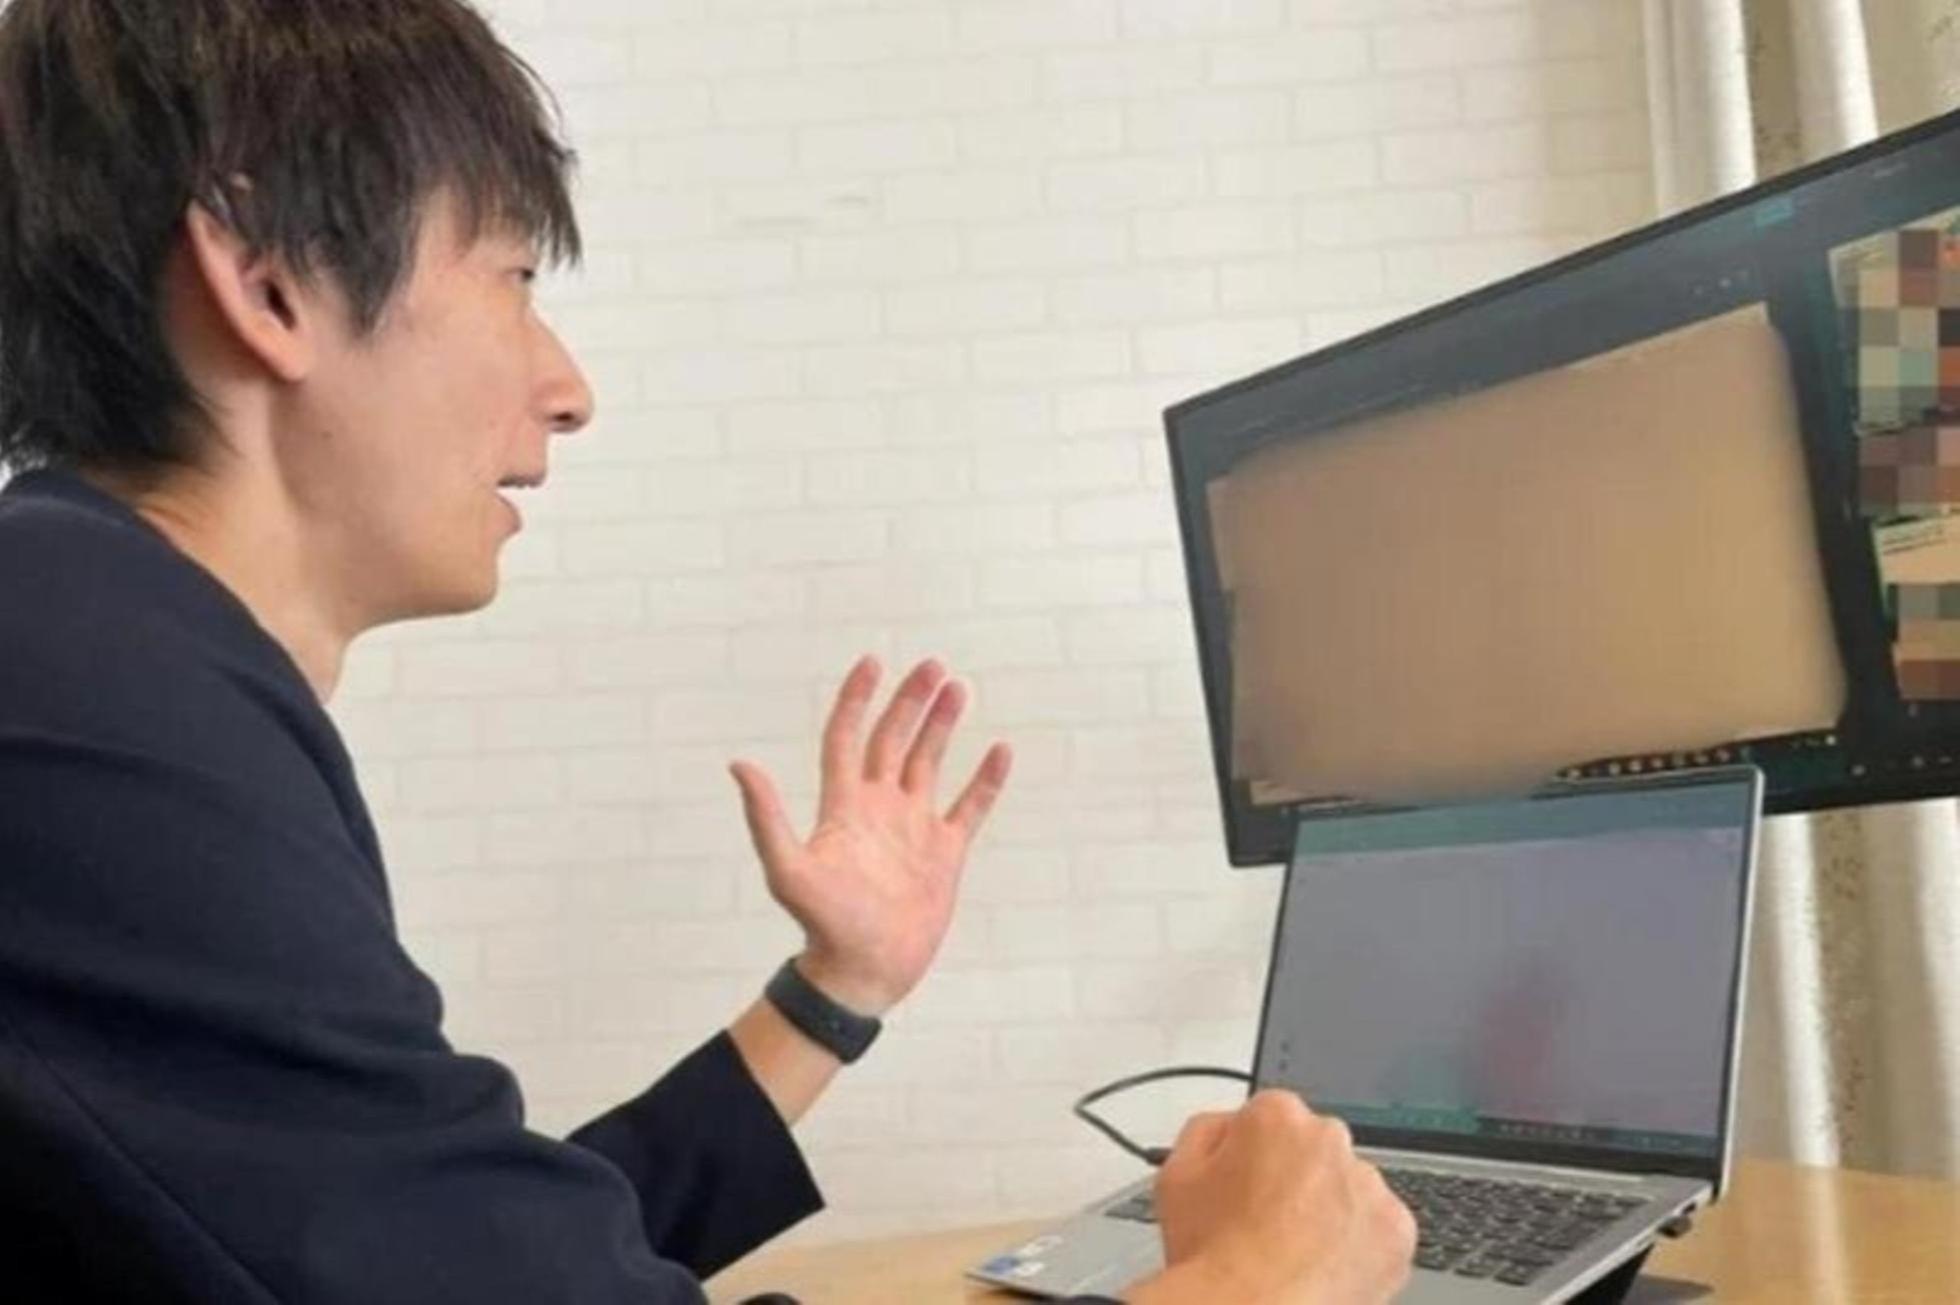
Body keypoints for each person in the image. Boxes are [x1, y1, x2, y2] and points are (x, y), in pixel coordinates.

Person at [0, 2, 1416, 1302]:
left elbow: (461, 1244)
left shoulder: (95, 644)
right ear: (268, 282)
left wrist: (836, 986)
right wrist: (1266, 1280)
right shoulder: (92, 709)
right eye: (512, 275)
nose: (569, 389)